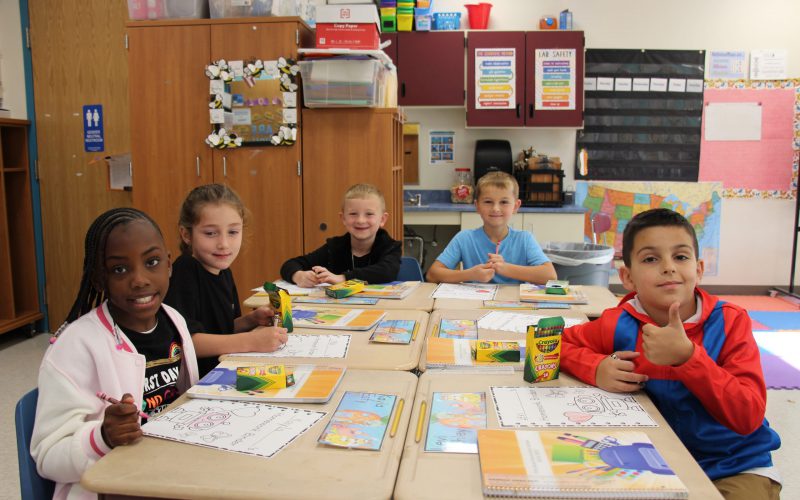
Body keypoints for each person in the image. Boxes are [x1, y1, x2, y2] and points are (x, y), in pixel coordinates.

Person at [561, 208, 781, 500]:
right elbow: (556, 344)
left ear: (699, 269)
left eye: (680, 256)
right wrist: (596, 367)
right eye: (651, 259)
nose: (669, 267)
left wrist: (688, 358)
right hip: (652, 463)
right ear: (627, 277)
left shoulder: (730, 322)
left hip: (734, 466)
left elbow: (748, 416)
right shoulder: (619, 322)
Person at [31, 208, 200, 500]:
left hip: (172, 470)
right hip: (113, 487)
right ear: (99, 278)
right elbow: (47, 456)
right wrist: (102, 437)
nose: (139, 279)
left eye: (152, 262)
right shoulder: (76, 346)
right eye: (120, 269)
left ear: (169, 264)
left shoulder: (174, 320)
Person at [165, 184, 288, 377]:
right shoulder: (185, 271)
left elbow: (219, 329)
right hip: (197, 382)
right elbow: (186, 343)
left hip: (223, 370)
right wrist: (251, 341)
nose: (223, 244)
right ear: (186, 235)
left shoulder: (223, 271)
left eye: (232, 232)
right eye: (210, 233)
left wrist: (249, 320)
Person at [426, 171, 556, 284]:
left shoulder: (525, 239)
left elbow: (550, 276)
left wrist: (506, 268)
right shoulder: (464, 238)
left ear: (516, 206)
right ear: (477, 206)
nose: (495, 208)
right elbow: (432, 275)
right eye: (488, 202)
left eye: (504, 202)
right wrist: (470, 274)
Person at [281, 183, 401, 286]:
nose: (360, 220)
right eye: (353, 214)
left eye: (369, 214)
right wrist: (298, 276)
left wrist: (343, 278)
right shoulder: (334, 247)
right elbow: (290, 264)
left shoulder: (391, 247)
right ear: (343, 218)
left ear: (382, 219)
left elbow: (387, 271)